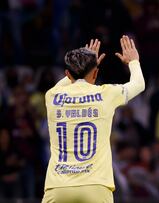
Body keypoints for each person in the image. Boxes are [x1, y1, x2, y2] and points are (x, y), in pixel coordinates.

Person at [42, 35, 145, 203]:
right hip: (96, 185)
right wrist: (133, 61)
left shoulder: (52, 96)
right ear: (96, 72)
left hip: (58, 186)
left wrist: (83, 65)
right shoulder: (106, 94)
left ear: (67, 74)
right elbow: (139, 84)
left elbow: (69, 79)